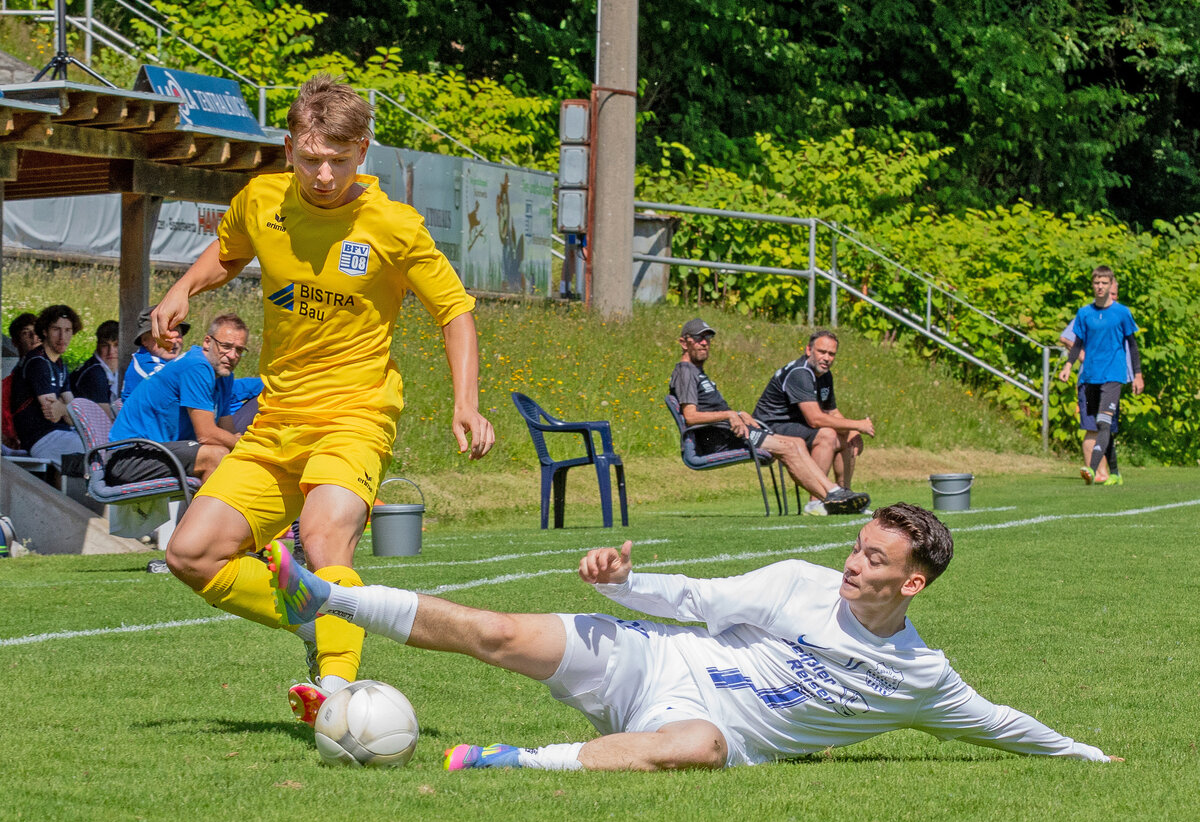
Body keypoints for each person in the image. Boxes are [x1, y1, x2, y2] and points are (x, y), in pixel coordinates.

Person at [267, 502, 1122, 771]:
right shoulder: (798, 582)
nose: (852, 564)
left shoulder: (921, 678)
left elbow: (1003, 723)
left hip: (693, 720)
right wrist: (620, 582)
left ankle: (509, 761)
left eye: (874, 558)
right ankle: (324, 597)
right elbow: (695, 596)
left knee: (704, 746)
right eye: (856, 547)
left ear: (914, 582)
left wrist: (1088, 755)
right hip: (653, 658)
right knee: (493, 630)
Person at [151, 74, 495, 726]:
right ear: (290, 147)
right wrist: (183, 290)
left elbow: (455, 311)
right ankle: (312, 614)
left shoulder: (393, 225)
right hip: (278, 418)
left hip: (356, 415)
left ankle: (337, 693)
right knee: (190, 553)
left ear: (362, 150)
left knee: (323, 534)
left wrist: (467, 402)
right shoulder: (263, 202)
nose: (325, 173)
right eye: (311, 158)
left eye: (339, 158)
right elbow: (227, 253)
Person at [669, 318, 869, 515]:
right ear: (683, 343)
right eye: (698, 338)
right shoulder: (685, 371)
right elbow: (690, 417)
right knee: (790, 447)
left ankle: (833, 495)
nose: (704, 343)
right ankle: (831, 495)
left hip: (733, 433)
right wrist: (730, 415)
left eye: (707, 339)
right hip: (719, 439)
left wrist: (738, 414)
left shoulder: (696, 371)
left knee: (797, 443)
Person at [105, 313, 247, 488]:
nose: (232, 355)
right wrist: (253, 449)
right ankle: (205, 516)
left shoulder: (224, 376)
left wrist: (242, 445)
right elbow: (207, 434)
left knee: (232, 455)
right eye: (226, 346)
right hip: (128, 457)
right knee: (216, 455)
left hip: (159, 450)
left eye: (239, 350)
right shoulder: (196, 366)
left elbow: (227, 431)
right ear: (207, 342)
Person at [754, 330, 874, 514]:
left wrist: (853, 432)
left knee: (846, 437)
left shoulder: (825, 376)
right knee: (827, 434)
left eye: (831, 354)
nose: (826, 358)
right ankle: (816, 502)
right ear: (809, 350)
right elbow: (815, 419)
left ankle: (845, 499)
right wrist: (858, 424)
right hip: (769, 427)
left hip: (794, 425)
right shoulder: (800, 373)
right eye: (822, 352)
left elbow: (831, 411)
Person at [1057, 266, 1143, 485]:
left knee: (1104, 423)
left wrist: (1138, 375)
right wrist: (1068, 365)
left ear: (1110, 284)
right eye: (1097, 283)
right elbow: (1077, 343)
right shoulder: (1084, 313)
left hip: (1113, 376)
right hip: (1090, 377)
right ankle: (1114, 473)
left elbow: (1132, 346)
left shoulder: (1122, 312)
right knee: (1101, 426)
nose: (1100, 287)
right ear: (1092, 285)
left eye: (1104, 283)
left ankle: (1092, 469)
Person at [10, 304, 85, 465]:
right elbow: (52, 413)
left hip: (61, 433)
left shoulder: (59, 363)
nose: (62, 337)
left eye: (67, 330)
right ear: (44, 331)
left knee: (103, 447)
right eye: (56, 329)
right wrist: (67, 409)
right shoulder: (37, 362)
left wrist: (65, 408)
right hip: (42, 439)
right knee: (97, 453)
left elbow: (74, 417)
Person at [121, 306, 189, 401]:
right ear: (144, 340)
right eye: (163, 335)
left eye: (177, 333)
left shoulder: (171, 361)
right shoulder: (146, 365)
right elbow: (183, 388)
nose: (173, 340)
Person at [2, 313, 41, 450]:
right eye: (26, 333)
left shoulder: (55, 367)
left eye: (36, 331)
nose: (34, 336)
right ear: (15, 342)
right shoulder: (13, 380)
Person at [70, 319, 120, 417]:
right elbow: (106, 417)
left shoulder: (120, 368)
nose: (111, 351)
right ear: (97, 346)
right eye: (105, 345)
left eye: (116, 345)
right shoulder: (95, 373)